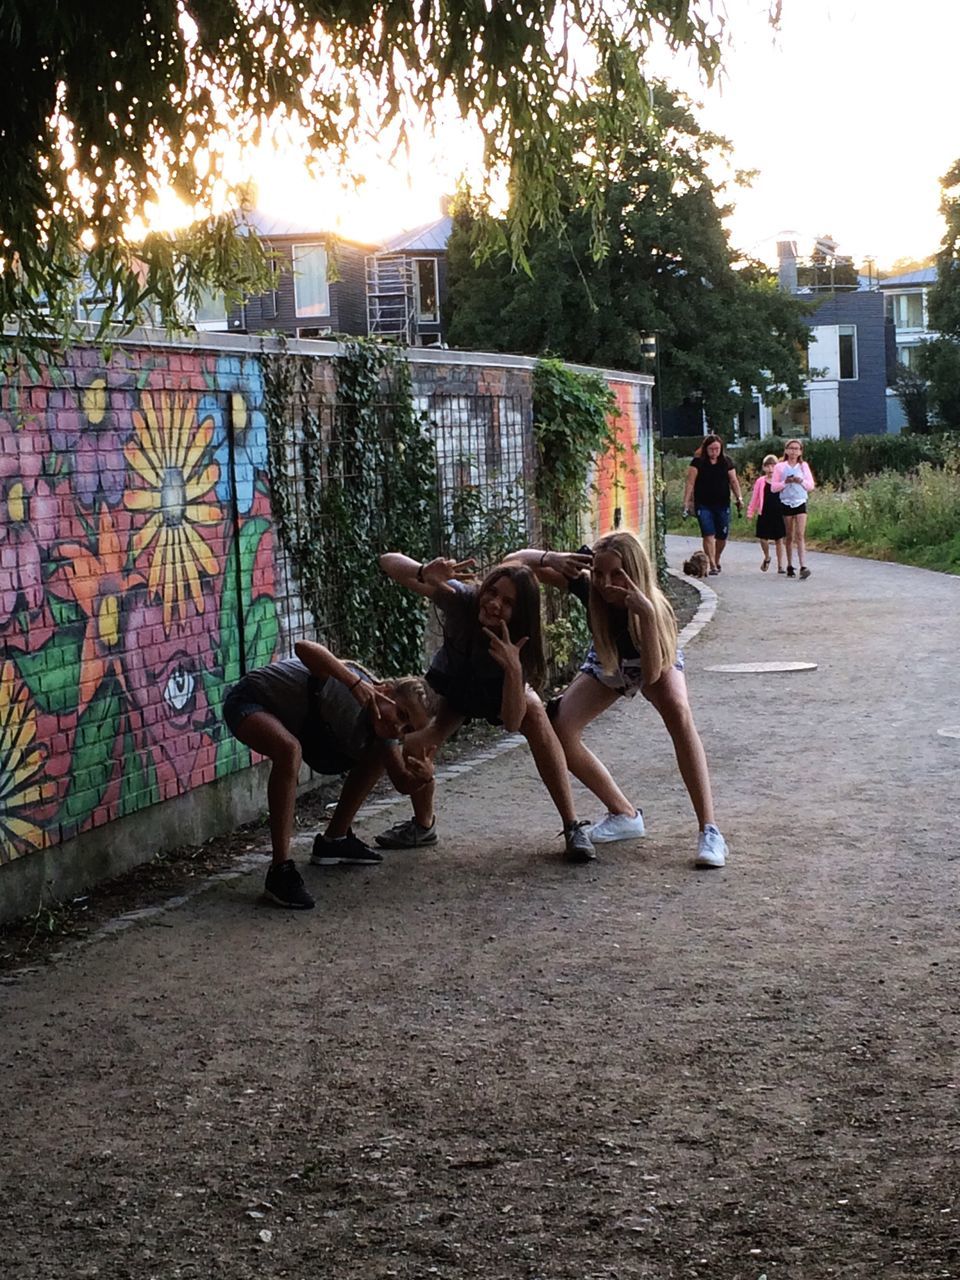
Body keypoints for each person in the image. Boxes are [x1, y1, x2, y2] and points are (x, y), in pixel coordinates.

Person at [506, 532, 728, 868]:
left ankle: (709, 831)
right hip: (610, 660)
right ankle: (624, 814)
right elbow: (512, 565)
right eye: (599, 573)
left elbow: (652, 677)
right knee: (561, 729)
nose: (607, 584)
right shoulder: (589, 585)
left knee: (680, 715)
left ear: (636, 572)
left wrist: (648, 617)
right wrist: (549, 558)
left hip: (654, 656)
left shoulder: (655, 607)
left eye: (617, 574)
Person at [378, 551, 598, 862]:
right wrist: (424, 570)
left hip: (496, 693)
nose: (494, 604)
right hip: (454, 688)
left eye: (507, 603)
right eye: (492, 592)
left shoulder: (521, 642)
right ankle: (423, 824)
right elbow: (388, 562)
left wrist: (512, 670)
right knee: (417, 735)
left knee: (533, 711)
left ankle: (572, 825)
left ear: (519, 613)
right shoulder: (462, 598)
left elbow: (510, 722)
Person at [222, 642, 436, 909]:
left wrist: (425, 777)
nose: (398, 727)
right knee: (289, 750)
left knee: (378, 753)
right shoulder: (349, 689)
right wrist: (353, 682)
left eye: (407, 729)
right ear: (384, 690)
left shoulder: (385, 732)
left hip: (301, 724)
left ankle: (335, 840)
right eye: (401, 714)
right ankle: (280, 871)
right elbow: (303, 648)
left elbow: (403, 783)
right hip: (250, 702)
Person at [681, 434, 744, 575]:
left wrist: (739, 497)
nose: (714, 452)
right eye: (711, 449)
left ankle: (717, 557)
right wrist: (686, 502)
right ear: (706, 448)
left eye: (717, 449)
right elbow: (690, 482)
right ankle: (713, 564)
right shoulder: (697, 462)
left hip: (722, 503)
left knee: (722, 536)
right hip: (703, 504)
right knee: (708, 533)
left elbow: (733, 481)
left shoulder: (726, 462)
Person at [771, 438, 816, 579]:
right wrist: (786, 482)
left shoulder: (803, 466)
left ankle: (803, 565)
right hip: (786, 501)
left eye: (797, 449)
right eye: (791, 448)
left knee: (800, 534)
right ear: (786, 450)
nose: (793, 451)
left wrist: (800, 481)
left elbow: (811, 485)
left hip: (800, 501)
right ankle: (790, 564)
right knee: (789, 535)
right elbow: (773, 487)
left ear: (800, 451)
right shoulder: (780, 467)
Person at [746, 453, 787, 573]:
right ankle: (767, 556)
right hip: (764, 513)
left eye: (773, 466)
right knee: (763, 538)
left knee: (779, 539)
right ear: (764, 468)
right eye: (767, 466)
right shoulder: (760, 481)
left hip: (778, 513)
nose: (770, 469)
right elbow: (755, 498)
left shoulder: (781, 481)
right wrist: (750, 512)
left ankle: (781, 566)